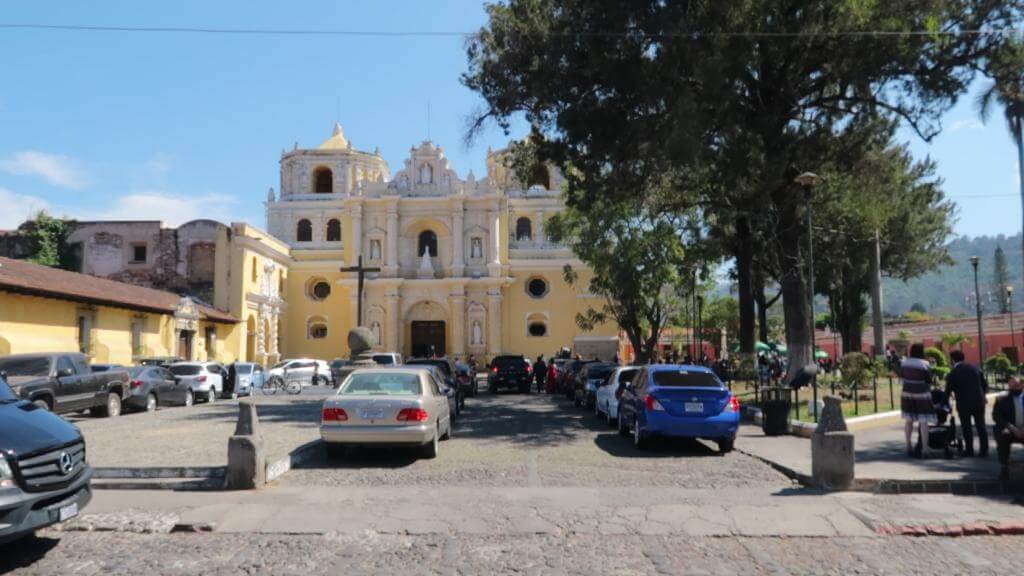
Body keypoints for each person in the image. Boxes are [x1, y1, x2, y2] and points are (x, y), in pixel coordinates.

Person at [945, 350, 989, 457]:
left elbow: (947, 391)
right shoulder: (975, 368)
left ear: (952, 360)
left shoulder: (953, 373)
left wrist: (944, 403)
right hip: (979, 401)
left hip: (963, 403)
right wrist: (983, 396)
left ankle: (969, 450)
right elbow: (984, 384)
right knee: (981, 426)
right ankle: (984, 450)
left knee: (966, 427)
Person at [900, 343, 935, 458]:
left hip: (907, 393)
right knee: (923, 421)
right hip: (922, 394)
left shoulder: (904, 363)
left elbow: (901, 378)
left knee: (909, 420)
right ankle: (925, 449)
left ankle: (908, 446)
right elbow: (929, 380)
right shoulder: (925, 364)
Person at [993, 377, 1024, 481]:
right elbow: (997, 416)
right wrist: (1012, 428)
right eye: (1010, 387)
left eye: (1015, 386)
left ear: (1022, 385)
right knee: (1003, 435)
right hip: (1010, 428)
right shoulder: (1002, 399)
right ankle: (1004, 468)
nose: (1012, 389)